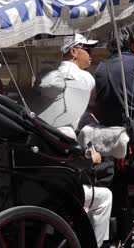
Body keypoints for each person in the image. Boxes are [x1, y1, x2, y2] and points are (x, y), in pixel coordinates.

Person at [30, 34, 113, 248]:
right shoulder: (85, 80)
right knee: (105, 196)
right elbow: (90, 115)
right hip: (64, 162)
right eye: (88, 50)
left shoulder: (47, 79)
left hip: (35, 171)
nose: (91, 55)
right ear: (74, 51)